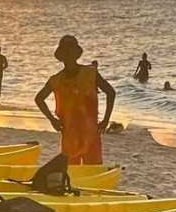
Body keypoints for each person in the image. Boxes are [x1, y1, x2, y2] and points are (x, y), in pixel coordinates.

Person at [34, 34, 116, 165]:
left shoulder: (90, 73)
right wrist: (52, 120)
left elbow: (110, 92)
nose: (68, 54)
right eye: (65, 51)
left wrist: (106, 120)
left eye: (71, 50)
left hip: (90, 134)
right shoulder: (56, 80)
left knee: (92, 171)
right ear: (61, 55)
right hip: (69, 135)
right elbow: (39, 99)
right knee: (71, 173)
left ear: (76, 54)